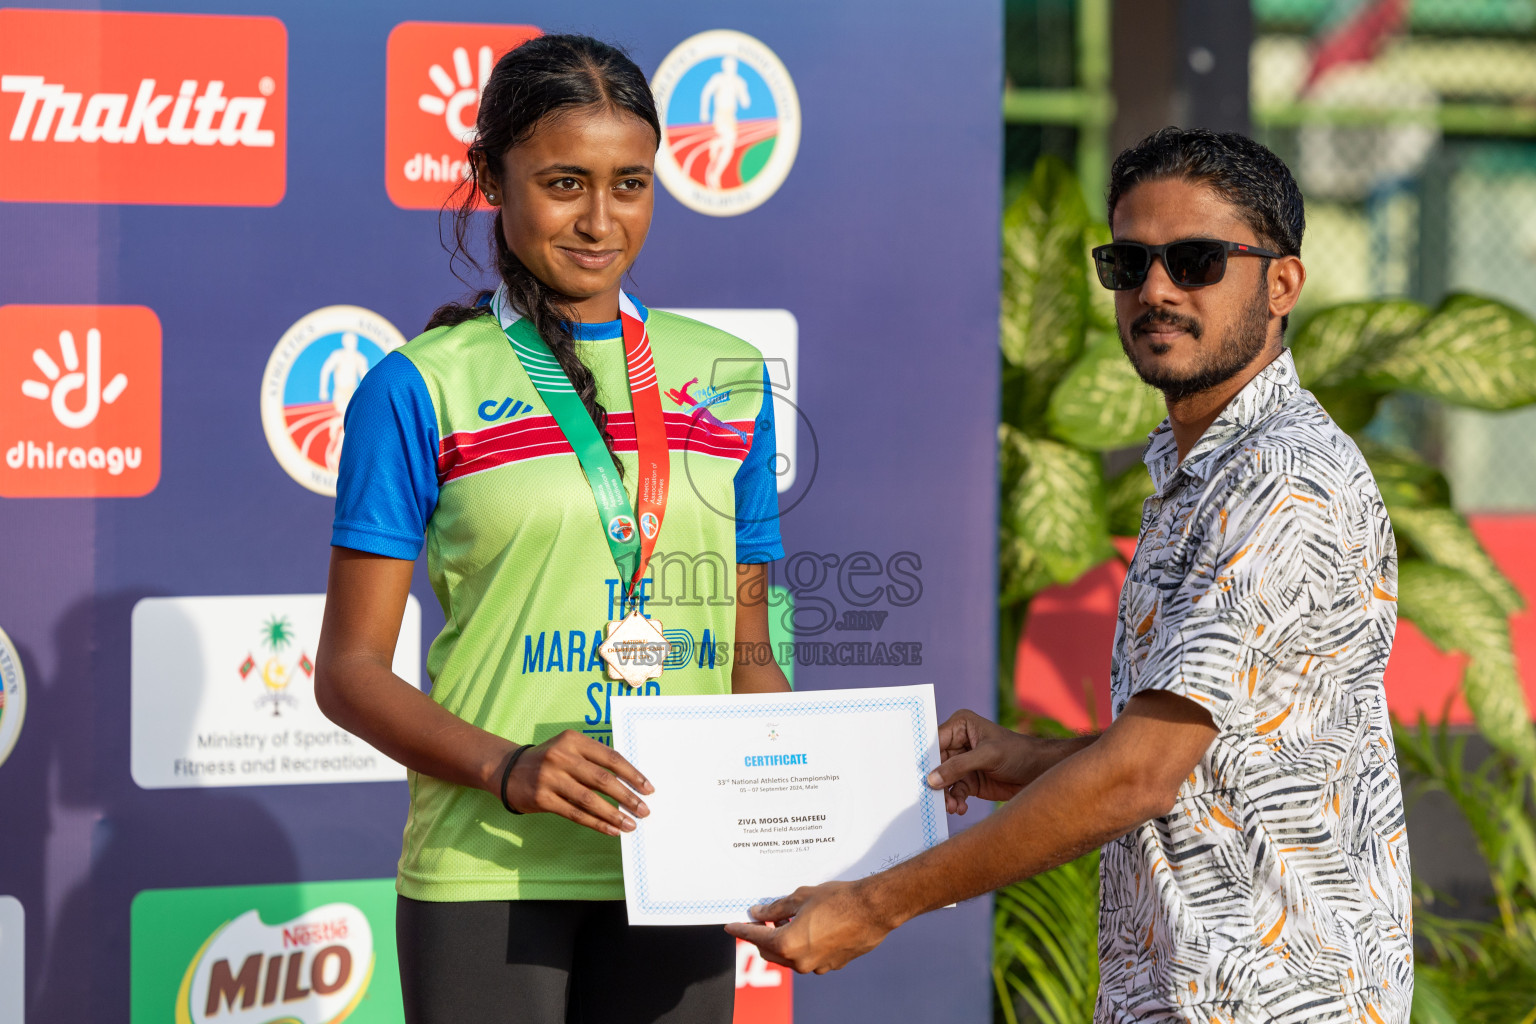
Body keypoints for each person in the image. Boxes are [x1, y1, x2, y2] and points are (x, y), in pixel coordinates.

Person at [729, 128, 1413, 1024]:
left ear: (1281, 283)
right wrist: (1034, 759)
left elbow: (1141, 777)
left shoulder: (1281, 480)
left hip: (1272, 999)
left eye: (1196, 260)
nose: (1156, 290)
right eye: (1129, 263)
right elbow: (1216, 752)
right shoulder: (1199, 464)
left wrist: (872, 904)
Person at [314, 35, 789, 1024]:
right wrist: (508, 766)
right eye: (565, 182)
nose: (601, 220)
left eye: (631, 184)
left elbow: (754, 659)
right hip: (489, 873)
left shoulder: (732, 376)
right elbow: (349, 670)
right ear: (491, 177)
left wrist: (780, 816)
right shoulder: (421, 384)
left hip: (675, 863)